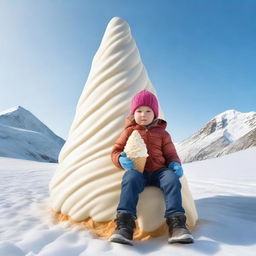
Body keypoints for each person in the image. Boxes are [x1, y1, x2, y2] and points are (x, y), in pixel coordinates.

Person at [109, 89, 194, 246]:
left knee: (171, 180)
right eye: (139, 110)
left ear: (155, 114)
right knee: (129, 179)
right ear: (133, 113)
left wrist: (175, 164)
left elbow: (170, 153)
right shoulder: (128, 132)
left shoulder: (163, 134)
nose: (143, 114)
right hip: (138, 171)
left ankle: (177, 225)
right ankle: (124, 225)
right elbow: (116, 150)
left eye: (148, 111)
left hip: (159, 171)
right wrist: (120, 159)